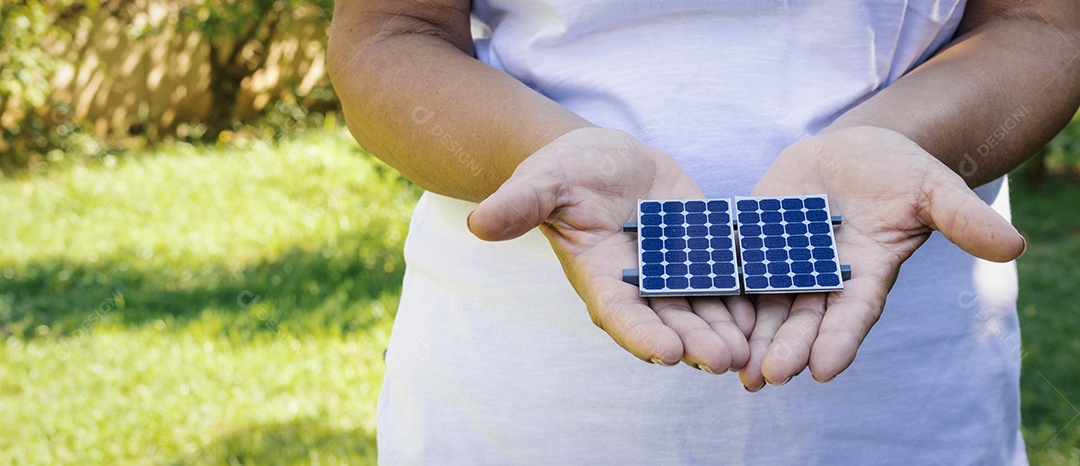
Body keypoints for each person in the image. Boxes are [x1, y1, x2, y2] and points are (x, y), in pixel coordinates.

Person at [329, 0, 1080, 463]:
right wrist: (544, 157)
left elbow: (1039, 24)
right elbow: (390, 34)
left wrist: (901, 142)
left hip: (911, 403)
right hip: (516, 399)